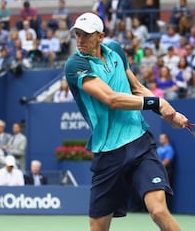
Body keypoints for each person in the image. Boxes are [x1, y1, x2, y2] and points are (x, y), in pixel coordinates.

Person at [64, 12, 188, 231]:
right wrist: (157, 103)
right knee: (98, 228)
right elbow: (111, 99)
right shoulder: (75, 65)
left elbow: (138, 88)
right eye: (78, 34)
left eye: (86, 35)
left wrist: (170, 114)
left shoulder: (117, 52)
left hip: (139, 143)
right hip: (108, 153)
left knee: (159, 211)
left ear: (100, 36)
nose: (80, 39)